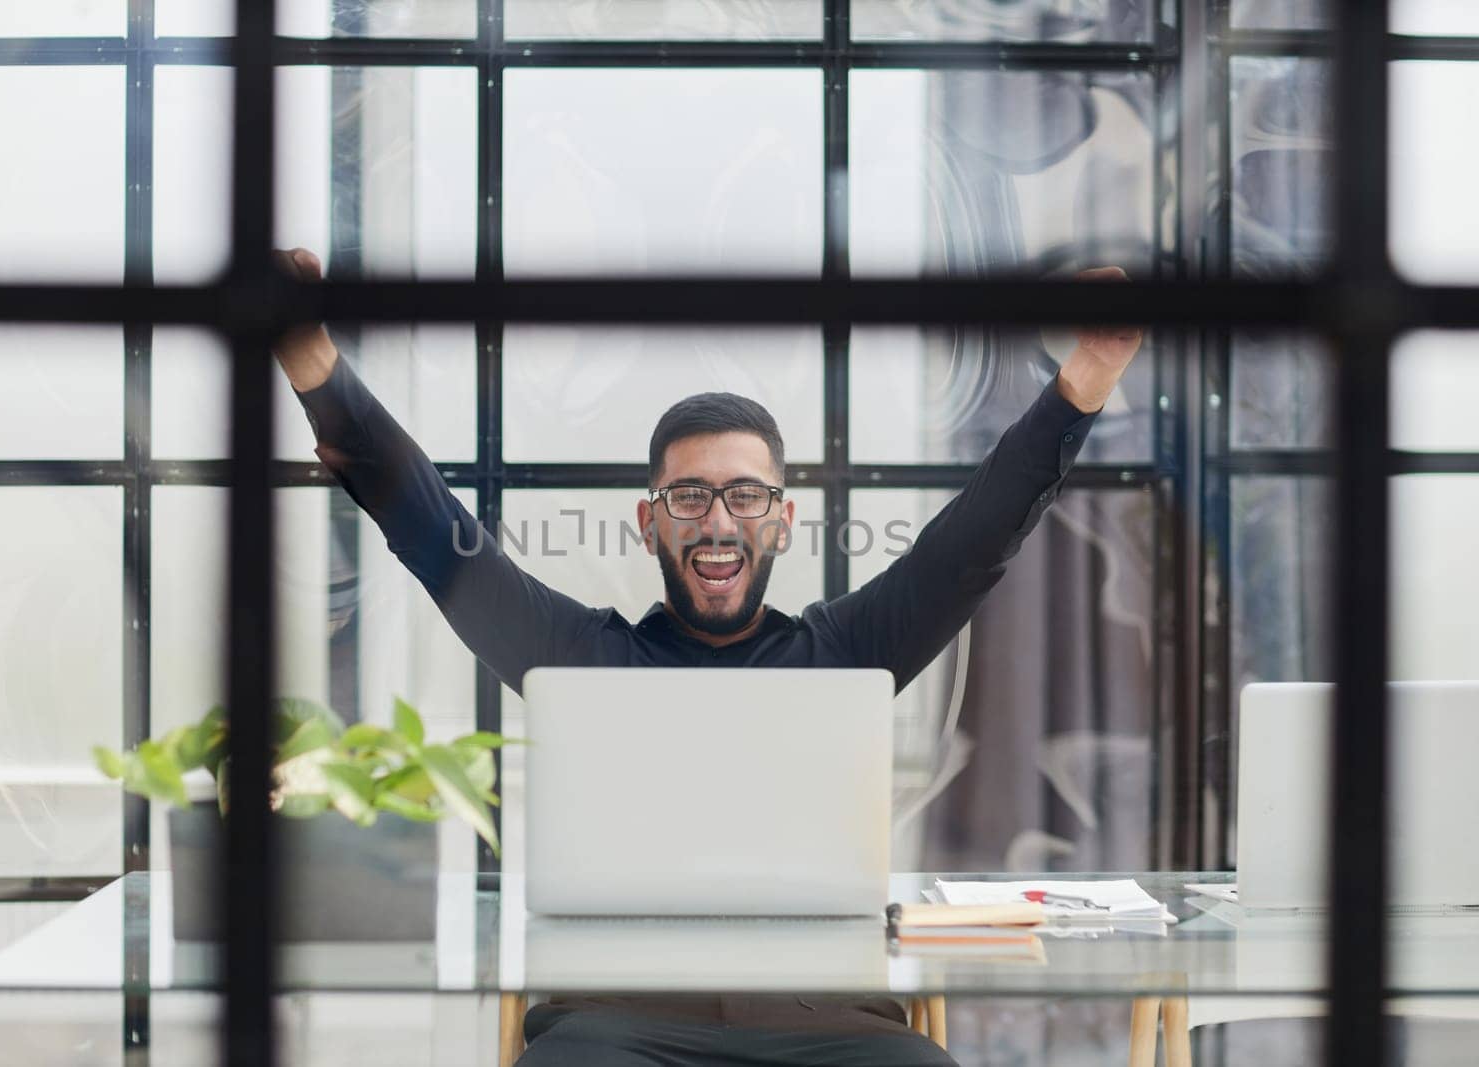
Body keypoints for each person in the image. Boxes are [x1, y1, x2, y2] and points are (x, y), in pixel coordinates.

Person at [272, 247, 1143, 1067]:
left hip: (826, 1024)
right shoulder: (582, 657)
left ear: (783, 520)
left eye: (746, 495)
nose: (719, 520)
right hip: (616, 1024)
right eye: (690, 495)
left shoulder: (843, 652)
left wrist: (1085, 381)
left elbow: (973, 543)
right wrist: (309, 355)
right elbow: (435, 534)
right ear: (651, 521)